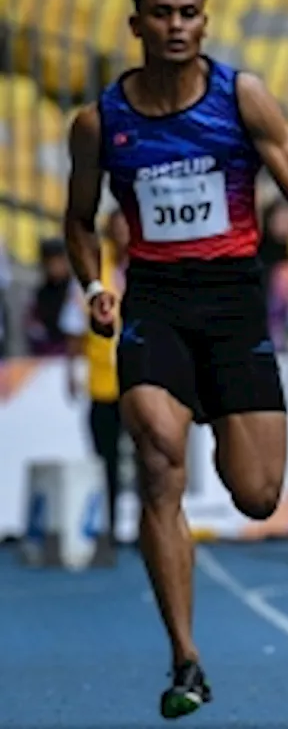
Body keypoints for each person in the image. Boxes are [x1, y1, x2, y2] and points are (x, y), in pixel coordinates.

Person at [62, 0, 288, 719]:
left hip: (234, 301)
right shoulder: (100, 122)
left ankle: (216, 406)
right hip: (156, 301)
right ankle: (186, 658)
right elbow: (78, 222)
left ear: (204, 20)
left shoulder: (241, 97)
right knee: (155, 458)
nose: (177, 25)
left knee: (256, 495)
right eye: (163, 12)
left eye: (189, 13)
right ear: (137, 22)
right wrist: (95, 284)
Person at [66, 209, 132, 558]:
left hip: (141, 377)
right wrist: (74, 369)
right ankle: (109, 525)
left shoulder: (145, 267)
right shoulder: (96, 272)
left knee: (146, 457)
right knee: (105, 456)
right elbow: (75, 323)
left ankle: (144, 525)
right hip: (104, 381)